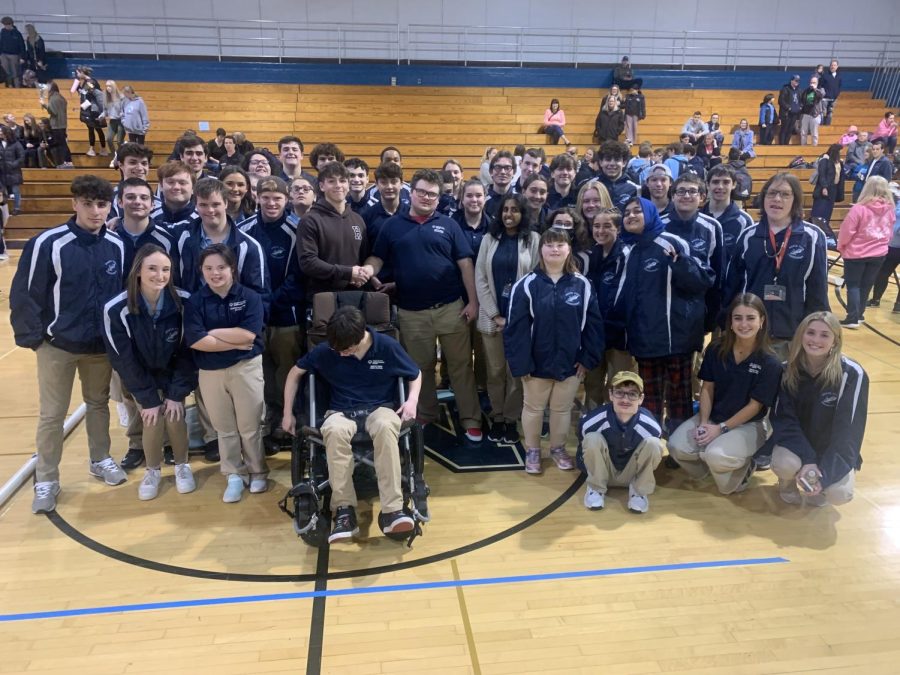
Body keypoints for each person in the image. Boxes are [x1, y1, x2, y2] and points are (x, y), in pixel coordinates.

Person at [10, 175, 127, 514]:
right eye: (87, 204)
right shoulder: (48, 243)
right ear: (74, 203)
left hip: (98, 347)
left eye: (101, 205)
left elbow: (118, 296)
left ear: (109, 207)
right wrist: (35, 340)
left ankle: (100, 458)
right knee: (52, 415)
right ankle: (46, 477)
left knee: (98, 404)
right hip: (56, 346)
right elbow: (25, 293)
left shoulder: (116, 245)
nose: (95, 211)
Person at [362, 168, 484, 443]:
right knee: (420, 368)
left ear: (439, 198)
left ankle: (471, 419)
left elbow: (466, 264)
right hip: (410, 312)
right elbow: (377, 258)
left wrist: (473, 302)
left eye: (433, 194)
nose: (427, 197)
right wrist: (367, 270)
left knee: (460, 367)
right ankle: (427, 413)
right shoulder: (392, 226)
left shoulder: (449, 225)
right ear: (411, 192)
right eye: (422, 192)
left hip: (451, 309)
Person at [282, 306, 421, 542]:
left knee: (387, 427)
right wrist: (287, 413)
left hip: (380, 408)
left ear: (361, 337)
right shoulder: (328, 350)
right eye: (337, 350)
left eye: (346, 350)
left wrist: (412, 401)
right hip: (341, 411)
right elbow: (294, 373)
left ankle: (393, 510)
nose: (342, 354)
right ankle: (344, 510)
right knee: (334, 431)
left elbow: (415, 374)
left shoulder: (387, 347)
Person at [504, 227, 603, 473]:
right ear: (541, 250)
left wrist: (586, 359)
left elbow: (593, 325)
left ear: (569, 250)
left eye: (560, 245)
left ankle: (558, 448)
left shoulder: (582, 285)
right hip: (535, 363)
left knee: (562, 409)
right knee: (534, 408)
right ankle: (533, 450)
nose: (555, 249)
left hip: (570, 362)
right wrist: (522, 363)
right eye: (549, 245)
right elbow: (515, 329)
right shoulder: (526, 285)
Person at [102, 244, 197, 500]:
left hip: (173, 369)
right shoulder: (115, 309)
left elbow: (189, 352)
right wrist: (147, 398)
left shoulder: (185, 302)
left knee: (175, 414)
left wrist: (176, 392)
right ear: (138, 272)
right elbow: (123, 359)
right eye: (152, 268)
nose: (160, 275)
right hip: (139, 373)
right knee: (152, 418)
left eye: (166, 269)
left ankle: (182, 465)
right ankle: (152, 470)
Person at [612, 197, 713, 435]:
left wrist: (682, 264)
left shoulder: (672, 243)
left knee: (680, 401)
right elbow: (623, 296)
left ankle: (680, 450)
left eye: (638, 211)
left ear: (650, 214)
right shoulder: (628, 250)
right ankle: (650, 446)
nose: (631, 216)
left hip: (675, 340)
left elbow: (702, 282)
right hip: (644, 340)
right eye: (627, 213)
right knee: (649, 400)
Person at [668, 294, 782, 494]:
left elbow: (754, 407)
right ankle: (708, 468)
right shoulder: (716, 348)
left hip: (748, 425)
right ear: (730, 322)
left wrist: (720, 429)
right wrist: (704, 422)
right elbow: (707, 388)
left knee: (716, 458)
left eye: (750, 318)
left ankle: (744, 469)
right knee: (677, 447)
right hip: (713, 417)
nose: (743, 324)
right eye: (737, 318)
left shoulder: (770, 362)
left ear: (762, 321)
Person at [184, 243, 268, 503]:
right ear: (201, 271)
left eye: (221, 267)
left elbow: (249, 335)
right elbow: (196, 341)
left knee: (250, 425)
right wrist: (231, 339)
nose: (215, 273)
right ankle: (234, 473)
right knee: (224, 427)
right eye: (209, 268)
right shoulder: (196, 301)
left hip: (245, 367)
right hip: (210, 372)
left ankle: (257, 471)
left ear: (232, 268)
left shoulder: (250, 297)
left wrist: (213, 335)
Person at [722, 173, 830, 360]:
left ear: (795, 200)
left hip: (793, 333)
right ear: (763, 198)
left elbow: (818, 289)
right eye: (771, 193)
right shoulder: (748, 236)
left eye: (785, 194)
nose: (777, 199)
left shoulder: (812, 237)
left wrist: (817, 331)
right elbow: (733, 285)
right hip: (751, 333)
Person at [770, 312, 867, 506]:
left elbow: (849, 433)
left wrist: (825, 477)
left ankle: (820, 486)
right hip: (798, 448)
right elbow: (784, 421)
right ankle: (787, 480)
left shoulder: (852, 374)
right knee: (784, 464)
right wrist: (808, 459)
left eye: (824, 335)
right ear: (800, 336)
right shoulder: (785, 370)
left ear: (835, 341)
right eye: (810, 333)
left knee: (839, 494)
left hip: (832, 449)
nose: (816, 340)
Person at [239, 176, 303, 452]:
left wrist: (270, 304)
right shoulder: (244, 230)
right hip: (252, 318)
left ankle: (285, 422)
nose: (271, 202)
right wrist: (254, 309)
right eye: (266, 196)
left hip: (284, 315)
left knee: (286, 370)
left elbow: (297, 277)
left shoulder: (296, 231)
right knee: (258, 372)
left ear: (286, 200)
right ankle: (264, 422)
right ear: (257, 197)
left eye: (277, 197)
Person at [475, 192, 540, 444]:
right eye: (505, 209)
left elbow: (535, 279)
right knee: (494, 372)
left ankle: (511, 419)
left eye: (514, 210)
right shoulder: (489, 239)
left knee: (515, 373)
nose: (509, 214)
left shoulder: (533, 239)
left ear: (523, 214)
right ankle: (498, 416)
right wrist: (495, 314)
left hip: (520, 321)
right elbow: (480, 278)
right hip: (492, 318)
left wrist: (512, 317)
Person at [577, 371, 662, 513]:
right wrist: (591, 470)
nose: (625, 399)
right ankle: (596, 487)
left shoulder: (651, 426)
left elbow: (652, 457)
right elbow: (583, 447)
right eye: (619, 393)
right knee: (592, 439)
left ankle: (638, 491)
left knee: (654, 444)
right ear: (610, 395)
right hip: (603, 470)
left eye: (632, 394)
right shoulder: (592, 421)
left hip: (632, 473)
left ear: (641, 399)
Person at [583, 207, 635, 407]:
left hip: (618, 333)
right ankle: (590, 426)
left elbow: (620, 296)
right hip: (595, 332)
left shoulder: (625, 254)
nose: (601, 231)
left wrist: (604, 325)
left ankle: (616, 425)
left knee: (618, 382)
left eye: (607, 226)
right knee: (592, 381)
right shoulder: (593, 254)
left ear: (618, 229)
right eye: (597, 226)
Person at [661, 173, 725, 333]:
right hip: (664, 307)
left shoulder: (712, 226)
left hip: (698, 309)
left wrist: (713, 313)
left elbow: (718, 272)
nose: (686, 196)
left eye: (692, 191)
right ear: (673, 196)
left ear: (702, 197)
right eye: (681, 191)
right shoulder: (659, 225)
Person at [298, 161, 370, 298]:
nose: (338, 186)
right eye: (331, 181)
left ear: (348, 185)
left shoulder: (358, 219)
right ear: (321, 186)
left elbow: (364, 258)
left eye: (342, 181)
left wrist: (364, 273)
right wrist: (348, 273)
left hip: (356, 296)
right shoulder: (310, 220)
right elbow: (308, 263)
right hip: (323, 298)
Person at [836, 176, 896, 328]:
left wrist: (841, 246)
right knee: (866, 285)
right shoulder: (890, 209)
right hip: (879, 253)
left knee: (854, 286)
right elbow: (890, 231)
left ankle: (852, 317)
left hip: (857, 252)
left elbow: (846, 231)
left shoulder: (859, 209)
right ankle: (860, 314)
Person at [868, 182, 900, 313]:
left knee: (883, 272)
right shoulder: (892, 205)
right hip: (893, 244)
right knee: (883, 272)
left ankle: (898, 305)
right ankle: (876, 299)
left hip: (893, 243)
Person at [361, 161, 405, 243]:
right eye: (383, 182)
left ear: (402, 184)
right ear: (376, 185)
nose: (389, 187)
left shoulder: (411, 214)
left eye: (394, 181)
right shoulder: (367, 216)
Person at [810, 143, 845, 239]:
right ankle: (815, 233)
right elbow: (822, 175)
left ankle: (823, 234)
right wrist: (824, 187)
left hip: (833, 189)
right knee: (819, 213)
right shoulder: (825, 160)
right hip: (823, 190)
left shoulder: (839, 162)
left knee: (827, 214)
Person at [39, 83, 72, 167]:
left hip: (56, 125)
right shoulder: (61, 98)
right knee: (63, 143)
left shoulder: (53, 98)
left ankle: (67, 161)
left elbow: (53, 112)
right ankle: (67, 161)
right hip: (63, 124)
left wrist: (44, 105)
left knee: (62, 144)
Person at [77, 75, 108, 157]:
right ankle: (93, 149)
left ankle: (103, 149)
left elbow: (101, 103)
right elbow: (83, 92)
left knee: (98, 130)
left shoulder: (96, 92)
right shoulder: (89, 91)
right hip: (89, 112)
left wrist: (102, 114)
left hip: (95, 112)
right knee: (92, 130)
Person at [484, 150, 517, 220]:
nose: (502, 172)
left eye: (507, 168)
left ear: (514, 172)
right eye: (498, 167)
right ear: (491, 171)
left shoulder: (520, 200)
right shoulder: (482, 200)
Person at [0, 124, 25, 214]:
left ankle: (17, 208)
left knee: (15, 190)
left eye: (2, 133)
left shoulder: (16, 144)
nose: (0, 134)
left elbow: (21, 157)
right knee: (3, 191)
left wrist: (13, 164)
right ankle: (4, 210)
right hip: (2, 171)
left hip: (13, 171)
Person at [102, 80, 125, 160]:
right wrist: (101, 115)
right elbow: (105, 110)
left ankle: (122, 156)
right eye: (106, 86)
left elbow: (124, 109)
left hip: (121, 121)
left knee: (119, 141)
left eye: (110, 86)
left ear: (114, 86)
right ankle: (115, 156)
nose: (108, 88)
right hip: (112, 121)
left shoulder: (121, 97)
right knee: (109, 139)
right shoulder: (106, 97)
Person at [0, 17, 25, 88]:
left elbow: (22, 45)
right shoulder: (3, 32)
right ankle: (9, 86)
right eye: (4, 25)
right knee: (6, 72)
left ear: (11, 24)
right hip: (4, 54)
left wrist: (22, 57)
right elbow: (1, 43)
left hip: (14, 55)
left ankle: (17, 87)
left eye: (7, 25)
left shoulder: (17, 34)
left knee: (15, 72)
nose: (6, 26)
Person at [799, 76, 824, 146]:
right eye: (811, 82)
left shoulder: (819, 91)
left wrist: (814, 90)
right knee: (803, 132)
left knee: (814, 133)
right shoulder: (806, 91)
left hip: (815, 114)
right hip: (806, 113)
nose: (812, 84)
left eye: (814, 82)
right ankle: (803, 146)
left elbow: (820, 97)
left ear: (817, 83)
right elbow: (802, 100)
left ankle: (814, 147)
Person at [778, 75, 802, 146]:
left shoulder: (799, 90)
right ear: (791, 81)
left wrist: (800, 107)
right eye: (795, 80)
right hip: (786, 113)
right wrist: (788, 108)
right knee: (784, 129)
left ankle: (786, 144)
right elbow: (781, 101)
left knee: (790, 129)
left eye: (798, 81)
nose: (797, 82)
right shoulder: (785, 89)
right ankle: (782, 145)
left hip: (794, 114)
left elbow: (801, 100)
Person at [820, 60, 842, 125]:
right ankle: (821, 126)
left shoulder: (839, 76)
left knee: (830, 113)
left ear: (837, 66)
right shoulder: (825, 75)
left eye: (834, 65)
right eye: (832, 65)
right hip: (825, 99)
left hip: (834, 99)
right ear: (830, 66)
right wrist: (824, 94)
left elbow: (839, 87)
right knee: (823, 113)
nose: (833, 66)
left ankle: (827, 126)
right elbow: (821, 86)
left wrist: (836, 95)